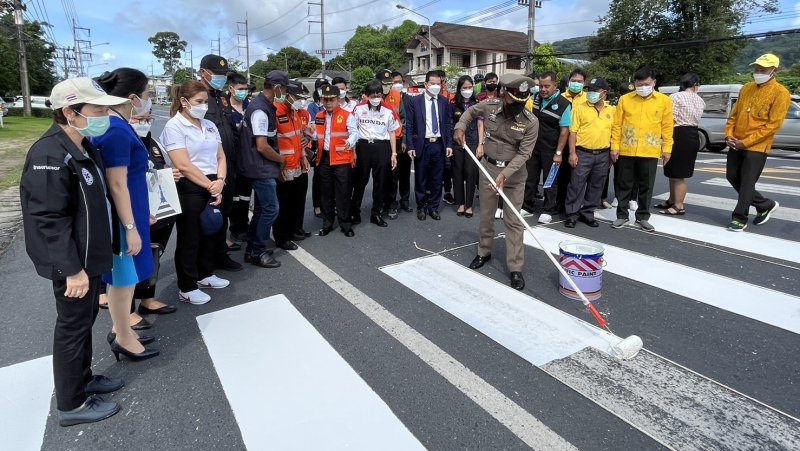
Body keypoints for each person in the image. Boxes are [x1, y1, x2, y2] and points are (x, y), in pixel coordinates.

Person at [20, 77, 127, 426]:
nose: (105, 115)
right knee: (72, 327)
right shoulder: (49, 153)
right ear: (69, 111)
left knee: (84, 323)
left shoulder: (83, 144)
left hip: (89, 256)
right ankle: (72, 404)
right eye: (98, 109)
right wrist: (72, 269)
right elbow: (47, 218)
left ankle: (83, 379)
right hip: (73, 263)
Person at [93, 68, 161, 362]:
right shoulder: (117, 129)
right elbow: (117, 183)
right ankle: (122, 336)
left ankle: (122, 329)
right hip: (123, 218)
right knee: (122, 281)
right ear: (132, 97)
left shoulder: (117, 124)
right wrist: (130, 225)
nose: (148, 100)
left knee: (127, 278)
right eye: (147, 94)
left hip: (130, 212)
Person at [455, 74, 538, 290]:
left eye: (522, 102)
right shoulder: (490, 106)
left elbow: (524, 154)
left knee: (513, 221)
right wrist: (460, 127)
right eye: (513, 101)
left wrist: (505, 175)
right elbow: (469, 113)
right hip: (489, 168)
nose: (518, 106)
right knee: (487, 216)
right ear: (503, 94)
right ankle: (484, 252)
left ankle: (515, 268)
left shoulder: (531, 122)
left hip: (514, 175)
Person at [160, 80, 231, 305]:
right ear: (184, 101)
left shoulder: (208, 124)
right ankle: (187, 285)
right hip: (191, 187)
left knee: (211, 231)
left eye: (205, 102)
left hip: (213, 183)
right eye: (198, 102)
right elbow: (183, 164)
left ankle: (205, 274)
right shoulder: (174, 126)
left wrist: (220, 180)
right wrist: (210, 186)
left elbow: (221, 156)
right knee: (190, 236)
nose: (203, 106)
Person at [724, 53, 791, 231]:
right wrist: (728, 135)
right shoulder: (746, 88)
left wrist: (746, 143)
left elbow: (773, 125)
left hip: (757, 145)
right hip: (736, 141)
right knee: (731, 176)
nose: (758, 72)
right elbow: (734, 115)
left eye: (763, 70)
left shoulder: (781, 93)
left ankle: (740, 217)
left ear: (774, 71)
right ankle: (764, 204)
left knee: (747, 181)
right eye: (756, 69)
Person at [129, 113, 180, 317]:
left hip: (160, 211)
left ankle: (148, 299)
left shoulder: (153, 141)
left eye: (147, 118)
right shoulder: (120, 140)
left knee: (154, 254)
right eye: (138, 119)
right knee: (130, 261)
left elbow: (160, 167)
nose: (144, 123)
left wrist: (169, 173)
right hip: (136, 211)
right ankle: (128, 311)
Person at [610, 67, 674, 232]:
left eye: (646, 84)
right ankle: (622, 216)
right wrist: (614, 147)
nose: (642, 87)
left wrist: (667, 149)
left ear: (654, 82)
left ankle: (643, 217)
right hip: (627, 149)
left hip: (650, 150)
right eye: (639, 84)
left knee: (646, 186)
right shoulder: (625, 99)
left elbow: (667, 127)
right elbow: (617, 125)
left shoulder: (664, 101)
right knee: (624, 184)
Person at [198, 54, 242, 271]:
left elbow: (231, 130)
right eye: (217, 74)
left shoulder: (221, 97)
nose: (221, 78)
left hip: (228, 166)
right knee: (206, 217)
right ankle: (204, 261)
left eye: (224, 75)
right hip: (207, 169)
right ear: (203, 72)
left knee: (223, 212)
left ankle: (220, 255)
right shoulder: (196, 97)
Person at [239, 75, 283, 268]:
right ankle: (258, 250)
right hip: (260, 167)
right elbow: (262, 146)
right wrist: (281, 160)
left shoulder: (263, 106)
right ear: (277, 87)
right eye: (285, 89)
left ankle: (251, 249)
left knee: (260, 209)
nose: (286, 93)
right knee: (271, 209)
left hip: (259, 166)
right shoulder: (260, 110)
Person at [564, 78, 615, 228]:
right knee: (576, 185)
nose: (590, 93)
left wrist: (612, 152)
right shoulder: (579, 108)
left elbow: (615, 132)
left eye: (594, 90)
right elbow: (572, 132)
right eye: (589, 90)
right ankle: (572, 214)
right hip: (583, 152)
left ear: (604, 93)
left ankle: (588, 213)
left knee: (596, 185)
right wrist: (572, 153)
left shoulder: (611, 110)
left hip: (603, 154)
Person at [523, 71, 572, 224]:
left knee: (550, 181)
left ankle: (547, 209)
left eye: (547, 86)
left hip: (552, 149)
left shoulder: (564, 104)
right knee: (530, 178)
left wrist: (558, 153)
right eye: (541, 86)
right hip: (534, 147)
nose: (543, 89)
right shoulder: (536, 98)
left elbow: (565, 131)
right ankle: (527, 206)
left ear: (555, 85)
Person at [351, 79, 400, 227]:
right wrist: (353, 151)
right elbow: (353, 130)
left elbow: (392, 132)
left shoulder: (388, 110)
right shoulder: (358, 109)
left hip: (382, 147)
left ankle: (376, 213)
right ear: (367, 95)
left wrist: (394, 154)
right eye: (372, 95)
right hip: (363, 146)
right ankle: (355, 212)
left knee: (380, 182)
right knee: (360, 182)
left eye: (378, 94)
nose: (375, 98)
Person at [272, 74, 313, 250]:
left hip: (298, 163)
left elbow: (299, 139)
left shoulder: (295, 113)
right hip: (283, 166)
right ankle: (282, 236)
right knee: (284, 203)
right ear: (287, 94)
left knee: (298, 200)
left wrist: (304, 157)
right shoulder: (275, 111)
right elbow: (272, 143)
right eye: (297, 98)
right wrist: (279, 167)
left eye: (303, 99)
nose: (300, 102)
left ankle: (296, 229)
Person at [405, 70, 453, 220]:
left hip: (439, 145)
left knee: (437, 178)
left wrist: (449, 144)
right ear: (426, 84)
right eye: (433, 84)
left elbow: (447, 124)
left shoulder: (444, 102)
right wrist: (410, 146)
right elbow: (410, 125)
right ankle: (421, 206)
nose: (436, 86)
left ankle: (433, 207)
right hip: (423, 144)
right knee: (421, 178)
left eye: (438, 84)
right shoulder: (415, 101)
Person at [314, 84, 359, 237]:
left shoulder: (347, 115)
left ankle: (345, 224)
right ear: (321, 100)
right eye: (325, 100)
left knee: (343, 193)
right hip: (324, 158)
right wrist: (309, 134)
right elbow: (318, 135)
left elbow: (354, 133)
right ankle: (327, 223)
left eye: (331, 100)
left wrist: (350, 142)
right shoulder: (319, 116)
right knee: (325, 193)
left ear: (338, 100)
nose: (328, 103)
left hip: (341, 160)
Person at [658, 73, 705, 216]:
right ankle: (672, 199)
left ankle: (679, 205)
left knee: (677, 173)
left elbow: (670, 118)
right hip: (693, 134)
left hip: (678, 133)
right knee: (675, 172)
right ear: (696, 85)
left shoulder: (674, 97)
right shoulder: (700, 100)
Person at [450, 75, 483, 218]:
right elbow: (450, 124)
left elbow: (481, 125)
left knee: (471, 172)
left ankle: (469, 205)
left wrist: (481, 144)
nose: (467, 90)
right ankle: (460, 203)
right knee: (457, 173)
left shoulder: (477, 104)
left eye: (470, 87)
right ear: (460, 89)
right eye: (465, 87)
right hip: (457, 143)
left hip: (473, 141)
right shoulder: (453, 104)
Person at [226, 72, 252, 244]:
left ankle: (244, 225)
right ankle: (235, 229)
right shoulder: (224, 108)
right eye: (240, 89)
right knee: (233, 198)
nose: (243, 92)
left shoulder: (250, 107)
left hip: (249, 160)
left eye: (245, 89)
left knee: (245, 197)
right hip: (231, 161)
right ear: (231, 89)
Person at [381, 70, 409, 219]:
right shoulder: (371, 95)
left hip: (396, 141)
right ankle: (380, 204)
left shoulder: (397, 96)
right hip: (379, 141)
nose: (387, 86)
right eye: (383, 83)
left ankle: (392, 204)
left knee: (393, 174)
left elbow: (403, 119)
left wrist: (403, 140)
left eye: (388, 83)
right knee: (380, 175)